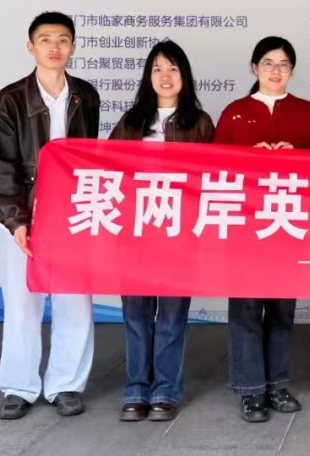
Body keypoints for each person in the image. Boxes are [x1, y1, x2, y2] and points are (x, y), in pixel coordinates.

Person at [0, 11, 100, 420]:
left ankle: (66, 384)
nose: (55, 47)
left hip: (73, 213)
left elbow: (88, 158)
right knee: (22, 302)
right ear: (31, 47)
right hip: (25, 214)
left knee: (75, 300)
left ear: (73, 47)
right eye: (46, 39)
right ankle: (19, 386)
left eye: (63, 39)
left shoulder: (86, 95)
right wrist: (16, 220)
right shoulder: (9, 101)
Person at [214, 36, 310, 422]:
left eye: (283, 64)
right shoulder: (235, 112)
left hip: (288, 224)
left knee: (281, 309)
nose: (275, 71)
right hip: (244, 226)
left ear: (292, 70)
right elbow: (214, 169)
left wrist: (301, 158)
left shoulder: (307, 112)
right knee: (246, 308)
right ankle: (250, 391)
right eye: (268, 63)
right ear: (254, 67)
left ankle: (277, 385)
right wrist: (248, 158)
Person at [109, 40, 215, 422]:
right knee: (136, 315)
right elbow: (107, 170)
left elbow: (213, 178)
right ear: (148, 77)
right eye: (157, 69)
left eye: (172, 68)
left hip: (179, 236)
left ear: (184, 76)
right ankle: (136, 389)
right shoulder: (131, 121)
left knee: (171, 318)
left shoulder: (200, 123)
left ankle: (165, 391)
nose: (165, 76)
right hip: (135, 235)